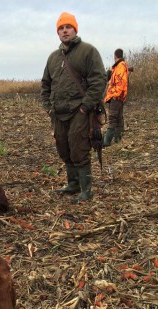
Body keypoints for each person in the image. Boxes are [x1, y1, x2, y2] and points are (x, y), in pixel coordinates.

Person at [41, 12, 107, 202]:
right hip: (58, 113)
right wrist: (48, 107)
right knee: (64, 148)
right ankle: (73, 184)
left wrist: (85, 107)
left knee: (79, 149)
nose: (64, 31)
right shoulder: (53, 57)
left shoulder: (88, 51)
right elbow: (45, 84)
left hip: (80, 111)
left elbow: (99, 81)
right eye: (61, 28)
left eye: (68, 27)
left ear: (75, 29)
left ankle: (86, 191)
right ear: (58, 33)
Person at [103, 48, 129, 146]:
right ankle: (118, 140)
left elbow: (120, 83)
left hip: (116, 97)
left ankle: (106, 142)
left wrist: (115, 95)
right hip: (118, 97)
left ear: (115, 56)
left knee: (113, 119)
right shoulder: (119, 66)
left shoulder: (120, 67)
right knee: (118, 118)